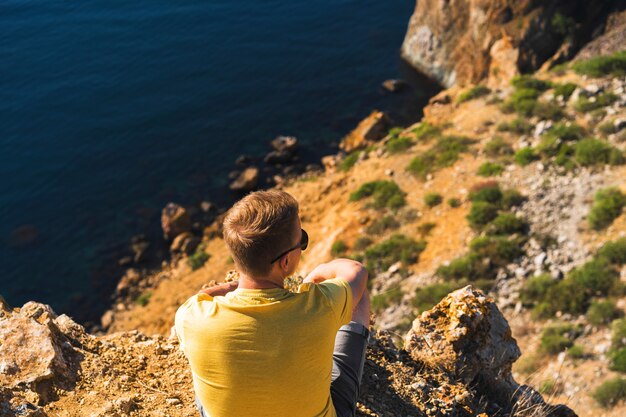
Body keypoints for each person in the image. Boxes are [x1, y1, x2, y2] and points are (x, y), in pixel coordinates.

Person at [174, 189, 370, 417]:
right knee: (359, 295)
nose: (303, 244)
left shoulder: (191, 316)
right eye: (302, 241)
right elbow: (356, 271)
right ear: (286, 262)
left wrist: (235, 286)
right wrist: (316, 275)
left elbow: (204, 295)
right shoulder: (320, 306)